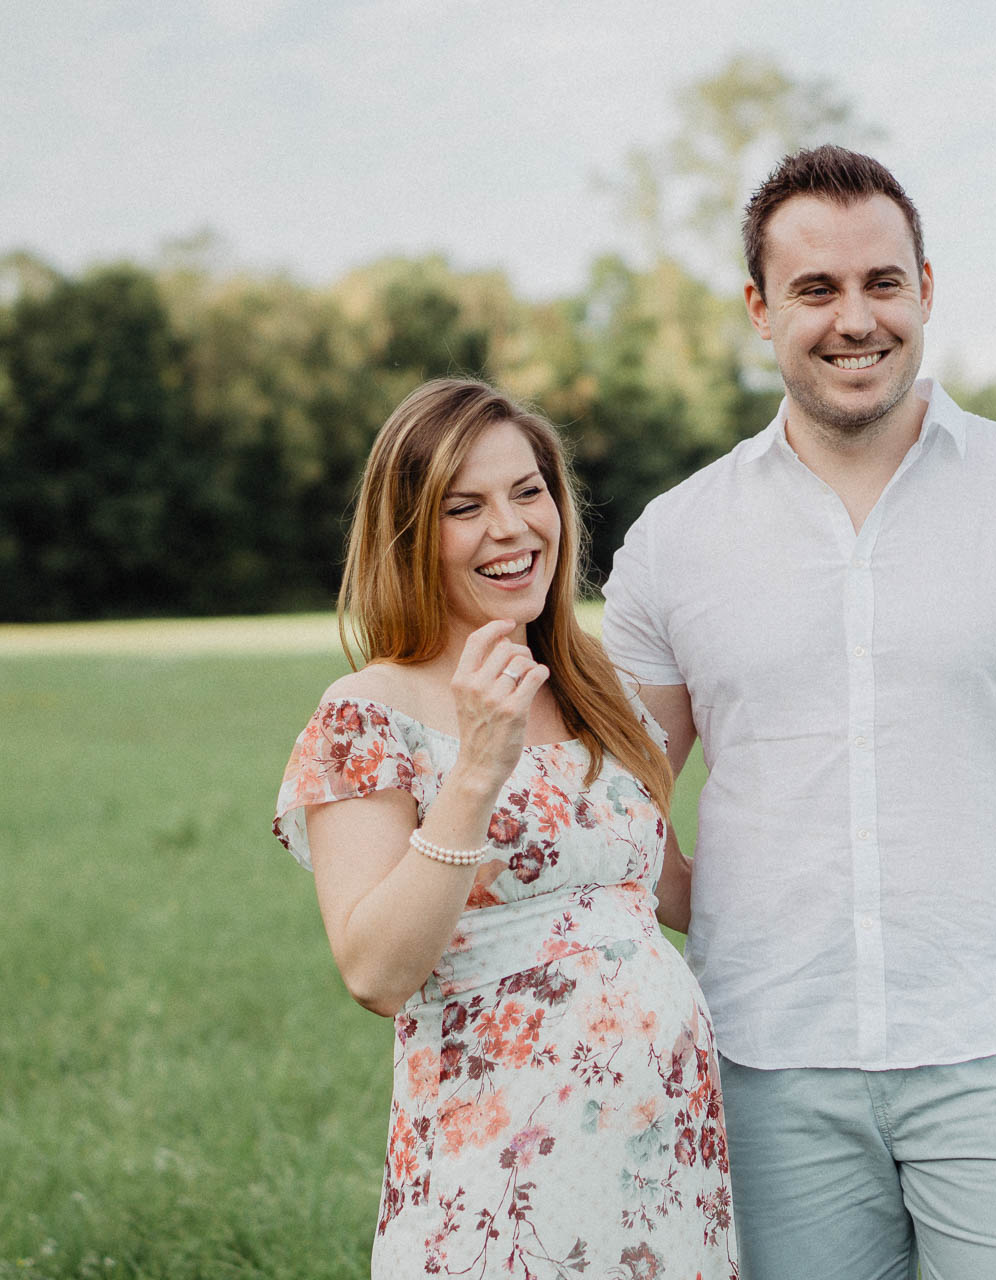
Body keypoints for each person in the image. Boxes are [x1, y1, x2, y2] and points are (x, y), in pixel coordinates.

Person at [600, 145, 996, 1279]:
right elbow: (620, 804)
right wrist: (717, 902)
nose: (854, 319)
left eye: (883, 283)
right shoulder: (676, 540)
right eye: (816, 290)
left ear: (927, 287)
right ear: (759, 309)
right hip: (765, 1071)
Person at [273, 378, 738, 1279]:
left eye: (529, 492)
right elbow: (375, 970)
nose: (513, 528)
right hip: (498, 1186)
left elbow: (663, 890)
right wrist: (478, 769)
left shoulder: (599, 691)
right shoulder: (366, 716)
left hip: (664, 1170)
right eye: (466, 507)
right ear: (409, 532)